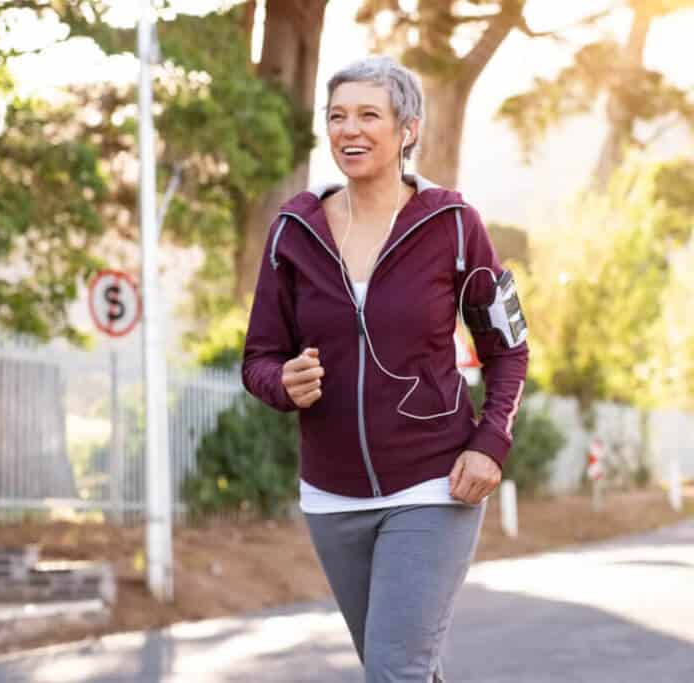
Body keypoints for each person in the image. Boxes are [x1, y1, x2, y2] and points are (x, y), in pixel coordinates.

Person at [241, 55, 529, 682]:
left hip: (434, 482)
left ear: (408, 129)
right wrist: (283, 383)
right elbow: (258, 359)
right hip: (331, 494)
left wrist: (490, 442)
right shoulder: (293, 230)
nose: (351, 129)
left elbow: (508, 348)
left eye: (370, 114)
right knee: (402, 667)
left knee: (395, 670)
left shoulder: (454, 225)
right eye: (338, 115)